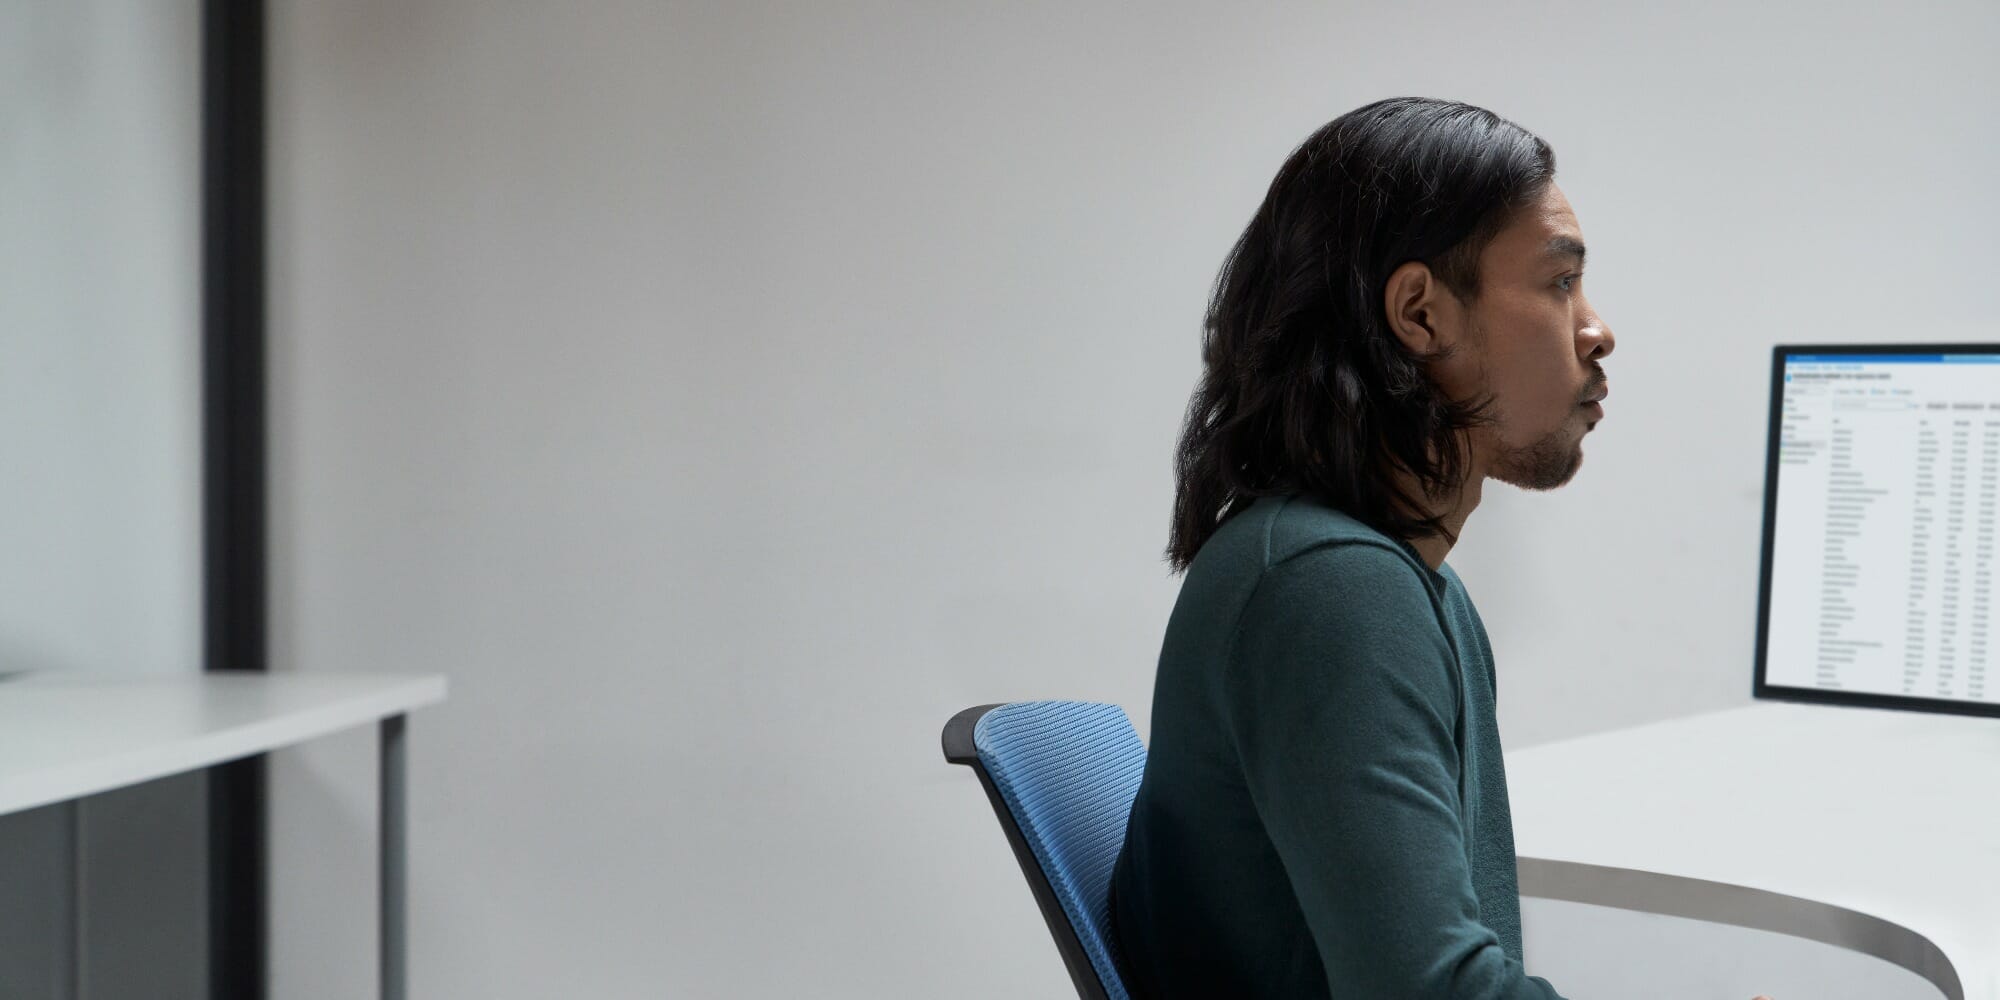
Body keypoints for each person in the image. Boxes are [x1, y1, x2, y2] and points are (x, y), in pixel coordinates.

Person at [1107, 97, 1772, 1000]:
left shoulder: (1396, 584)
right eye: (1558, 282)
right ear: (1421, 315)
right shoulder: (1330, 591)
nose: (1596, 328)